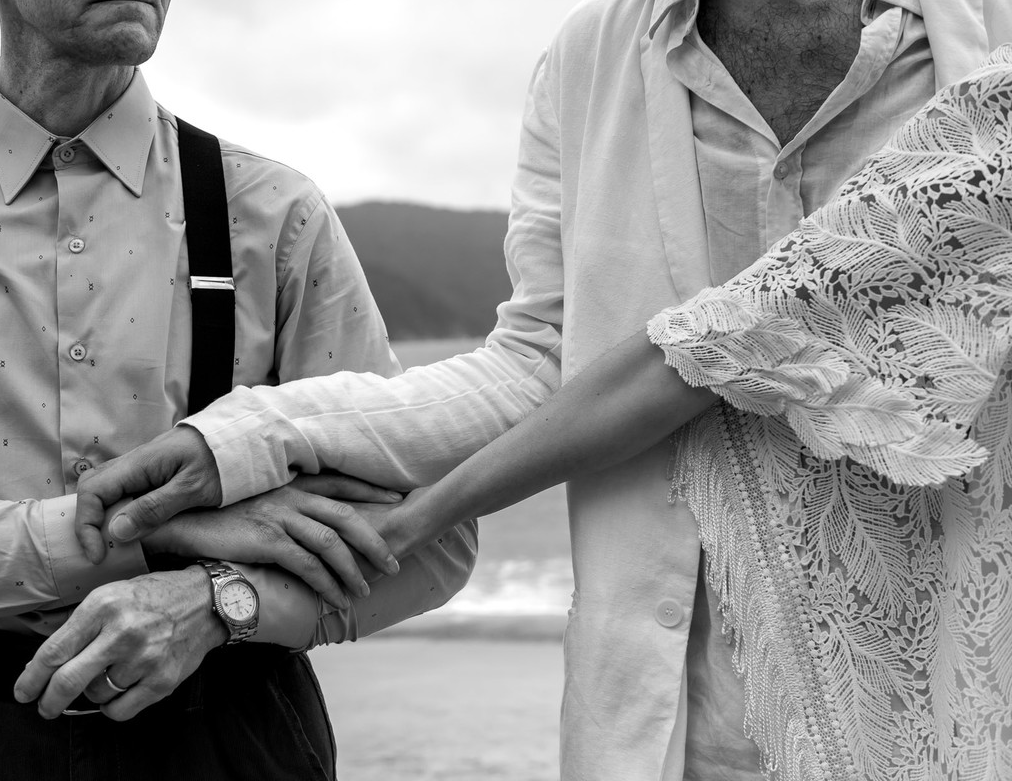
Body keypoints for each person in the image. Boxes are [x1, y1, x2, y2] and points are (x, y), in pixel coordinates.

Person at [63, 0, 1012, 778]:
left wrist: (397, 512)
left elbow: (692, 360)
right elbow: (542, 364)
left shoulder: (992, 36)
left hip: (957, 701)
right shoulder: (590, 54)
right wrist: (240, 439)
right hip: (673, 728)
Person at [0, 0, 477, 778]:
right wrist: (153, 530)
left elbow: (435, 537)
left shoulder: (276, 213)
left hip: (235, 734)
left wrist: (218, 601)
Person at [341, 47, 1012, 777]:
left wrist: (418, 518)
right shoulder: (586, 53)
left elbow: (699, 357)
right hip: (704, 708)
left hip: (946, 689)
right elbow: (566, 353)